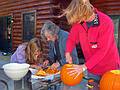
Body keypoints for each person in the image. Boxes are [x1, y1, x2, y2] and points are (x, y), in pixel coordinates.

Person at [59, 0, 120, 89]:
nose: (76, 22)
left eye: (77, 18)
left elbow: (103, 50)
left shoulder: (106, 22)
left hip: (110, 69)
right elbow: (72, 38)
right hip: (92, 69)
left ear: (84, 13)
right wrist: (68, 52)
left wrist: (83, 67)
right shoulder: (79, 23)